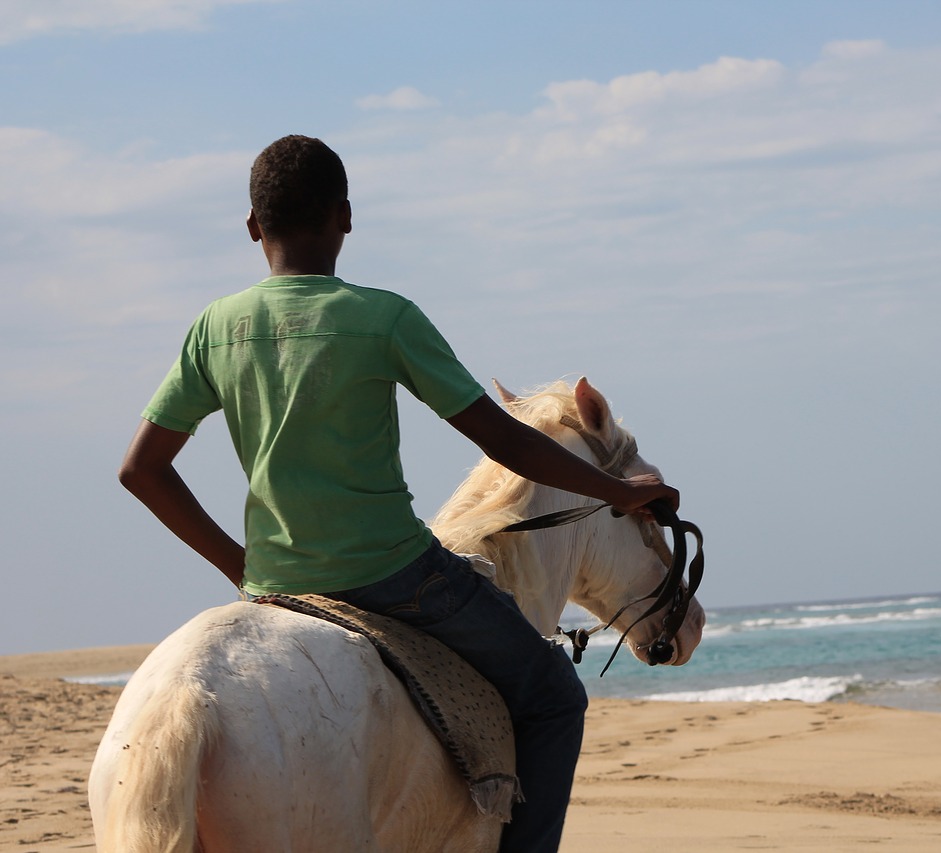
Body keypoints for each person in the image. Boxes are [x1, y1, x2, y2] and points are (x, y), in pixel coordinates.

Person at [119, 134, 678, 853]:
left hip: (275, 585)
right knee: (553, 698)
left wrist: (243, 566)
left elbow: (141, 469)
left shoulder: (213, 330)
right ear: (345, 217)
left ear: (254, 226)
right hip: (396, 579)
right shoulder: (385, 317)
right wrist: (616, 491)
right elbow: (504, 441)